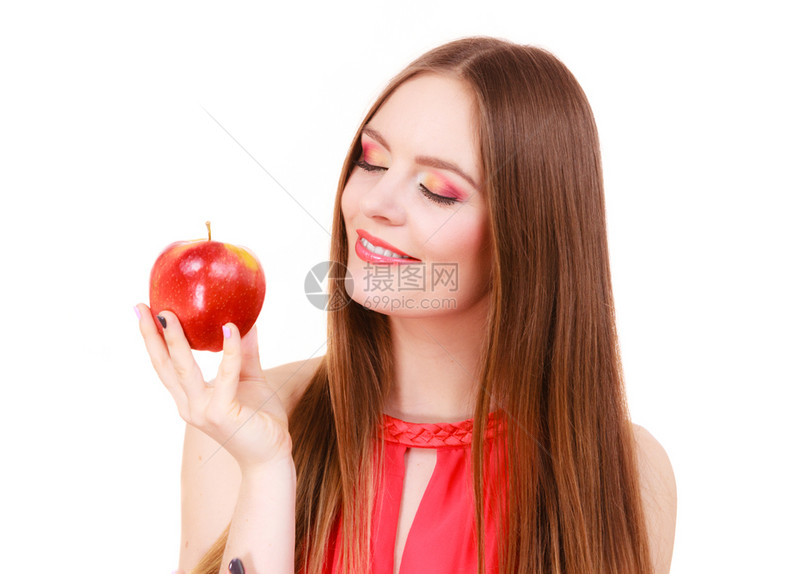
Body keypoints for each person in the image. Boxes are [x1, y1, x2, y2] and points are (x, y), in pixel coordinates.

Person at [136, 36, 677, 574]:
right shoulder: (242, 425)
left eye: (438, 190)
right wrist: (266, 471)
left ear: (528, 235)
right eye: (371, 162)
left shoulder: (625, 472)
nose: (373, 203)